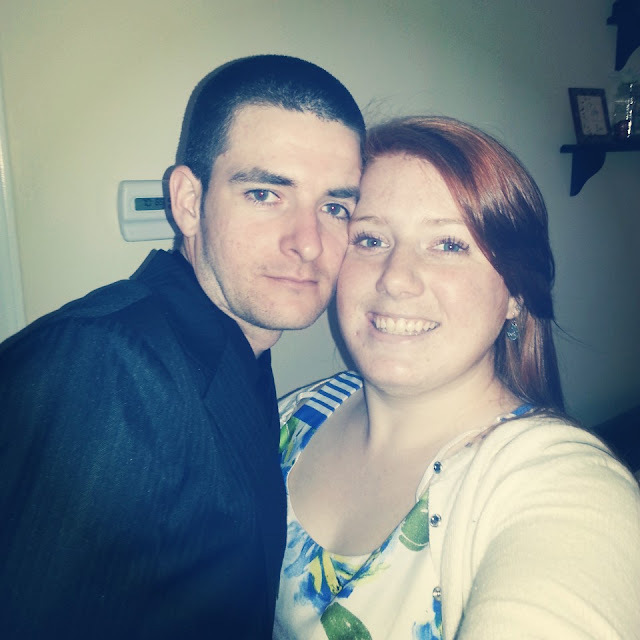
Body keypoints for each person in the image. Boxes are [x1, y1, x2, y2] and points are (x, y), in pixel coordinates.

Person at [0, 54, 364, 639]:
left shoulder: (234, 355)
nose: (309, 243)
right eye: (265, 194)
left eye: (335, 207)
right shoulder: (107, 369)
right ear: (189, 202)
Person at [274, 116, 640, 639]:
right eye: (370, 238)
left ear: (517, 293)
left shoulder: (560, 483)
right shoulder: (292, 416)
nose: (396, 279)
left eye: (448, 245)